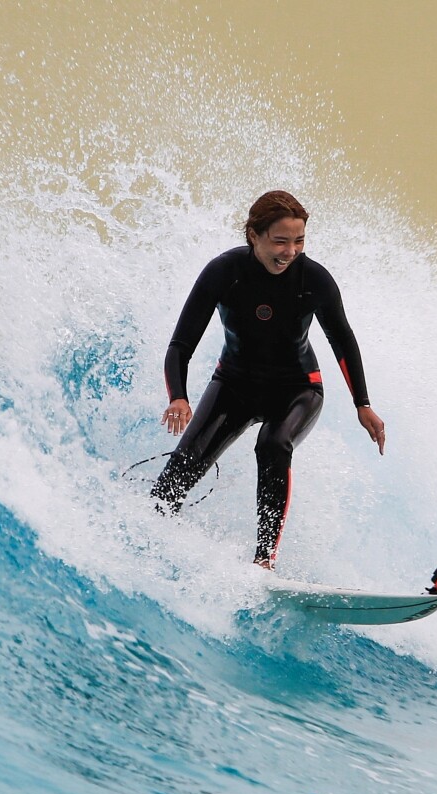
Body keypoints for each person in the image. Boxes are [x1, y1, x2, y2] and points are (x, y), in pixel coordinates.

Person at [151, 190, 385, 569]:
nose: (290, 251)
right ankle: (154, 532)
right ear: (254, 236)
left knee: (274, 443)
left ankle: (264, 560)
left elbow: (341, 339)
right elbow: (180, 344)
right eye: (280, 240)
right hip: (234, 385)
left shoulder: (314, 279)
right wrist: (178, 396)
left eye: (299, 240)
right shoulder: (223, 272)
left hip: (298, 389)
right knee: (180, 470)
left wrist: (363, 404)